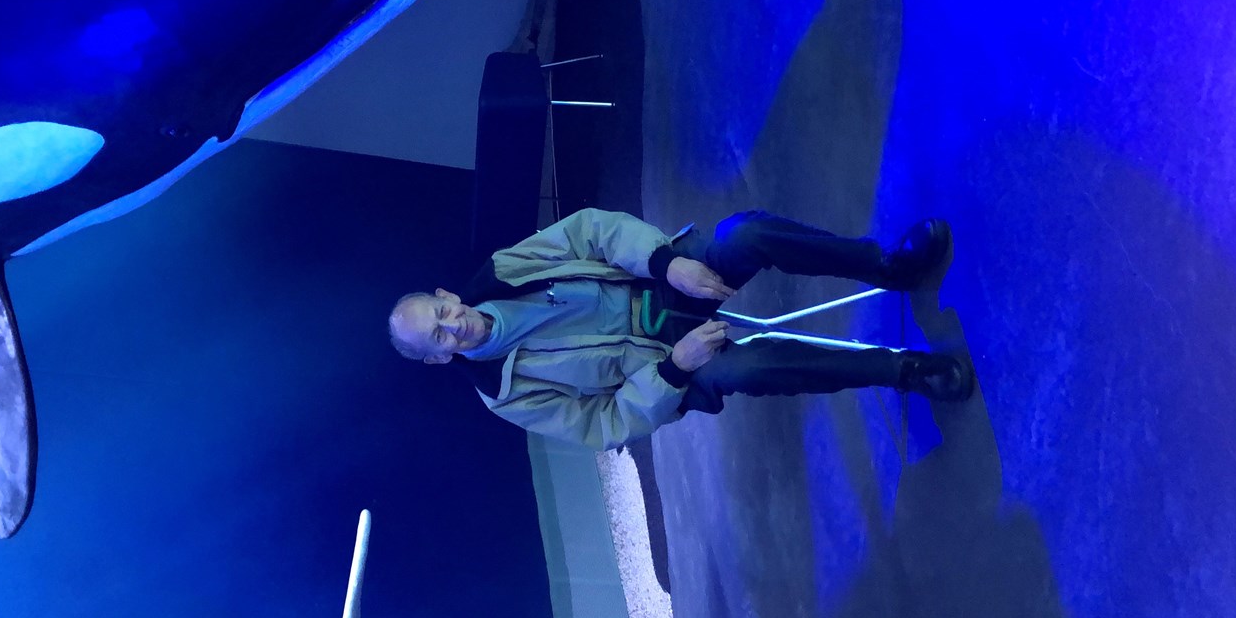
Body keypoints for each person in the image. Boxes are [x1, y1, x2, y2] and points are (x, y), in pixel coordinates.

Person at [387, 208, 973, 450]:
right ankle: (904, 370)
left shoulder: (503, 269)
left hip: (662, 282)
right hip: (665, 366)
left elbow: (592, 232)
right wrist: (674, 368)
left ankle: (888, 267)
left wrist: (668, 263)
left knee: (744, 234)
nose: (453, 327)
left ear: (446, 297)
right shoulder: (504, 394)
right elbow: (605, 425)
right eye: (438, 339)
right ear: (438, 360)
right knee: (751, 367)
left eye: (442, 314)